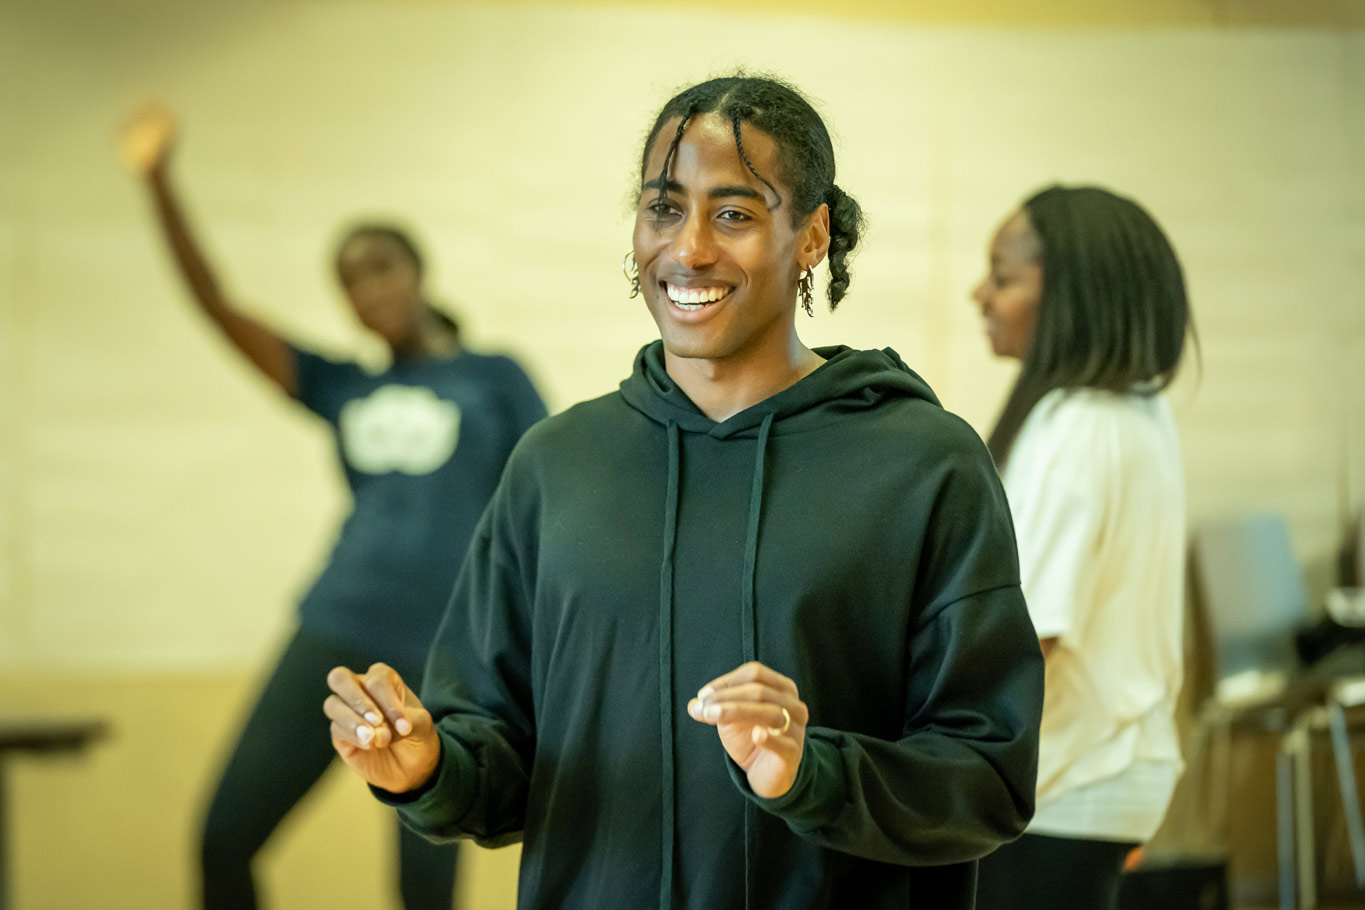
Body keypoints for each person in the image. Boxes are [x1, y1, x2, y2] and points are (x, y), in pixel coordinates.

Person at [323, 75, 1043, 910]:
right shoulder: (558, 466)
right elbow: (500, 759)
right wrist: (427, 770)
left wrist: (810, 774)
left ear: (811, 237)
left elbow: (988, 777)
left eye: (733, 214)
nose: (689, 247)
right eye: (663, 208)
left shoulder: (923, 464)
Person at [118, 103, 546, 910]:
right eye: (349, 281)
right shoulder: (341, 385)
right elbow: (218, 306)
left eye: (381, 266)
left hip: (446, 649)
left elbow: (549, 504)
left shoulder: (495, 377)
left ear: (420, 271)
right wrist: (158, 182)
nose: (367, 289)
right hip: (336, 627)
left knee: (423, 884)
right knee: (222, 840)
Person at [970, 185, 1194, 910]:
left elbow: (1029, 635)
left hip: (1069, 783)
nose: (981, 294)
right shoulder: (1134, 408)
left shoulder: (1078, 427)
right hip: (1104, 774)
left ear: (1067, 294)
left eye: (1003, 277)